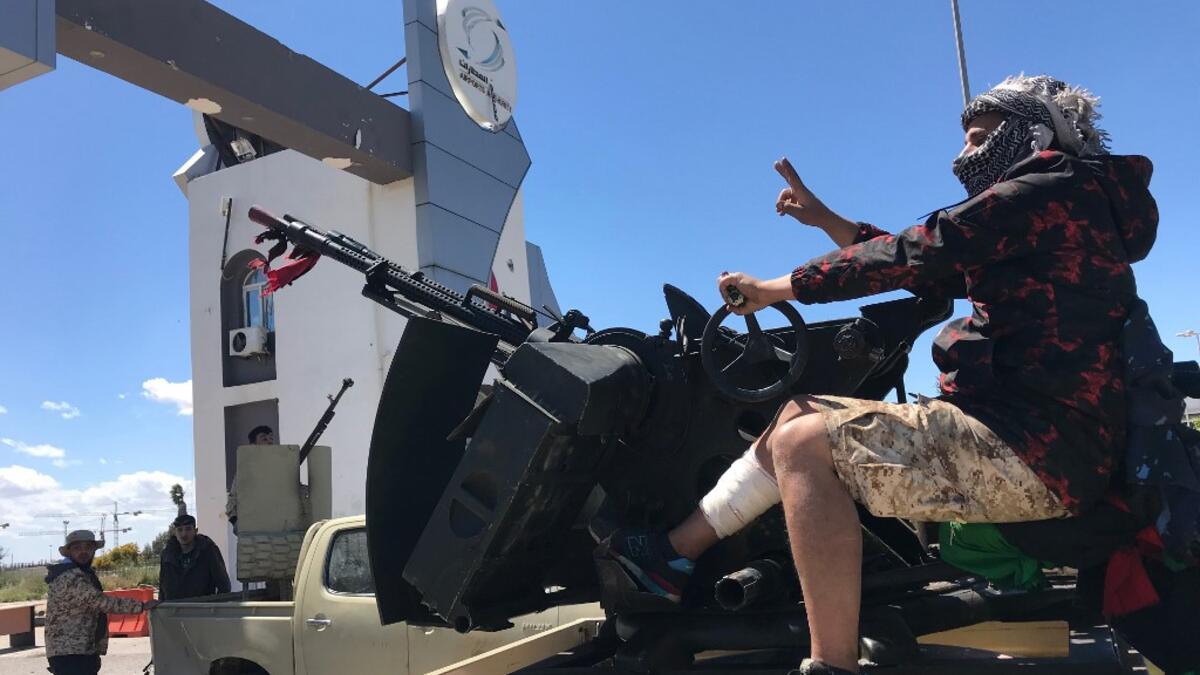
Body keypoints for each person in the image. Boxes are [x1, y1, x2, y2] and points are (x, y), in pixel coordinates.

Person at [596, 75, 1158, 675]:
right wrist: (824, 220)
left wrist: (773, 290)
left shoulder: (1050, 190)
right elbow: (926, 269)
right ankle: (670, 558)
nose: (962, 155)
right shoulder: (1062, 208)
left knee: (803, 441)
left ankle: (831, 665)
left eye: (977, 138)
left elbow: (919, 251)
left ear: (1034, 132)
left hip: (1036, 451)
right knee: (797, 418)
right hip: (1044, 442)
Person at [44, 530, 158, 675]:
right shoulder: (70, 577)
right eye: (77, 548)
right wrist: (141, 605)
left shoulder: (81, 573)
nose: (83, 552)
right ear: (69, 552)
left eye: (88, 547)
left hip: (79, 650)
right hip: (70, 652)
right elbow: (100, 602)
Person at [160, 514, 232, 600]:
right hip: (174, 610)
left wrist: (214, 608)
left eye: (188, 529)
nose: (184, 534)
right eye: (180, 530)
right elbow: (162, 588)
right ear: (175, 533)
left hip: (201, 609)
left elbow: (224, 585)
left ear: (195, 530)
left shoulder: (208, 551)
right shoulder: (167, 555)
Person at [226, 424, 276, 532]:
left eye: (271, 438)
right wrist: (235, 521)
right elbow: (232, 500)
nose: (269, 441)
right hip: (253, 527)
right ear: (253, 444)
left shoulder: (280, 466)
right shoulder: (245, 471)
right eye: (264, 438)